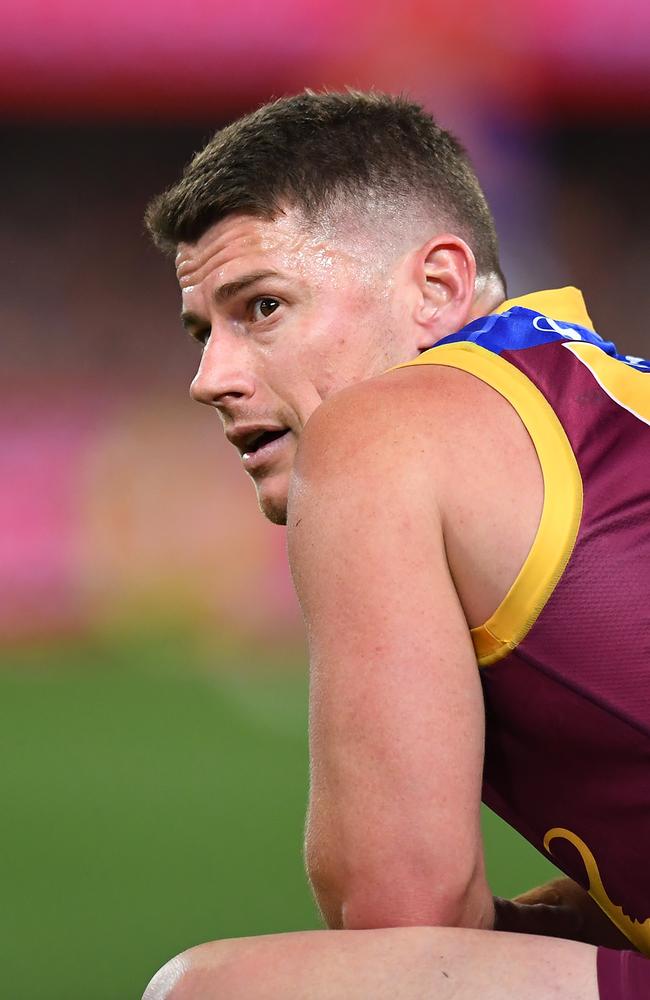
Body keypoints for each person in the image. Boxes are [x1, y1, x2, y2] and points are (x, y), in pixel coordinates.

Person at [142, 90, 650, 999]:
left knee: (212, 990)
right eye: (200, 331)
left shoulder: (378, 430)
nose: (208, 378)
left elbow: (400, 914)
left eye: (260, 307)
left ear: (437, 287)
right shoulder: (598, 397)